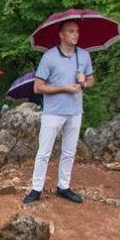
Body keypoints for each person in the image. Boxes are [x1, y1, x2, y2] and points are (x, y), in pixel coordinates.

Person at [24, 20, 94, 204]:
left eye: (77, 31)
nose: (75, 34)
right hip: (53, 112)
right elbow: (38, 87)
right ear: (61, 35)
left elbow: (91, 80)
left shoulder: (84, 56)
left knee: (69, 152)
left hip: (75, 111)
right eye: (71, 31)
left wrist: (83, 82)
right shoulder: (49, 57)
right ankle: (36, 188)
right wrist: (63, 88)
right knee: (44, 152)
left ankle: (64, 186)